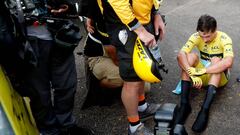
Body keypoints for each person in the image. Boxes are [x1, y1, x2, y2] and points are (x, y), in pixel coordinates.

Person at [4, 0, 94, 135]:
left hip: (60, 32)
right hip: (28, 41)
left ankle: (66, 125)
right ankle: (49, 130)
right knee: (40, 93)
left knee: (67, 85)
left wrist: (67, 6)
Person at [98, 0, 166, 134]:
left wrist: (156, 13)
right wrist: (139, 29)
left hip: (143, 20)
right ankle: (134, 126)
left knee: (140, 70)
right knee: (132, 81)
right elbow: (117, 2)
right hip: (125, 25)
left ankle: (142, 107)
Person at [175, 14, 234, 133]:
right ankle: (185, 104)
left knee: (216, 60)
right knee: (190, 57)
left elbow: (228, 62)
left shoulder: (224, 38)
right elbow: (180, 55)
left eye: (207, 36)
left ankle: (205, 109)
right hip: (201, 75)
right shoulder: (197, 36)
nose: (204, 40)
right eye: (202, 36)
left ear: (215, 30)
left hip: (219, 77)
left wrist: (203, 70)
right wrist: (192, 74)